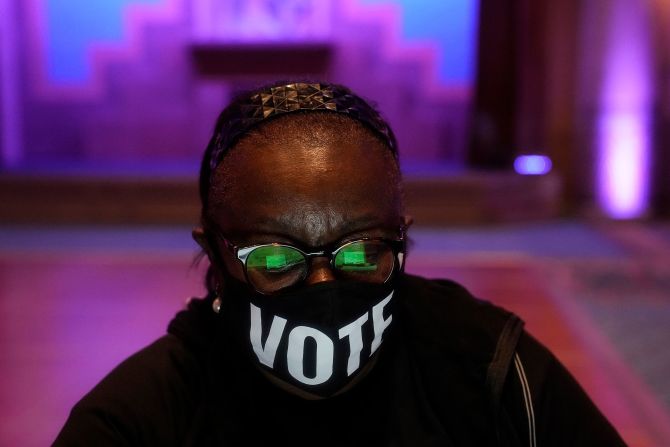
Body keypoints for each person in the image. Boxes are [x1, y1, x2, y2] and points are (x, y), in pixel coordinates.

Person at [54, 82, 626, 446]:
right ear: (216, 253)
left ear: (402, 240)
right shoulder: (139, 419)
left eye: (360, 250)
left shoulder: (494, 374)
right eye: (275, 256)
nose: (325, 283)